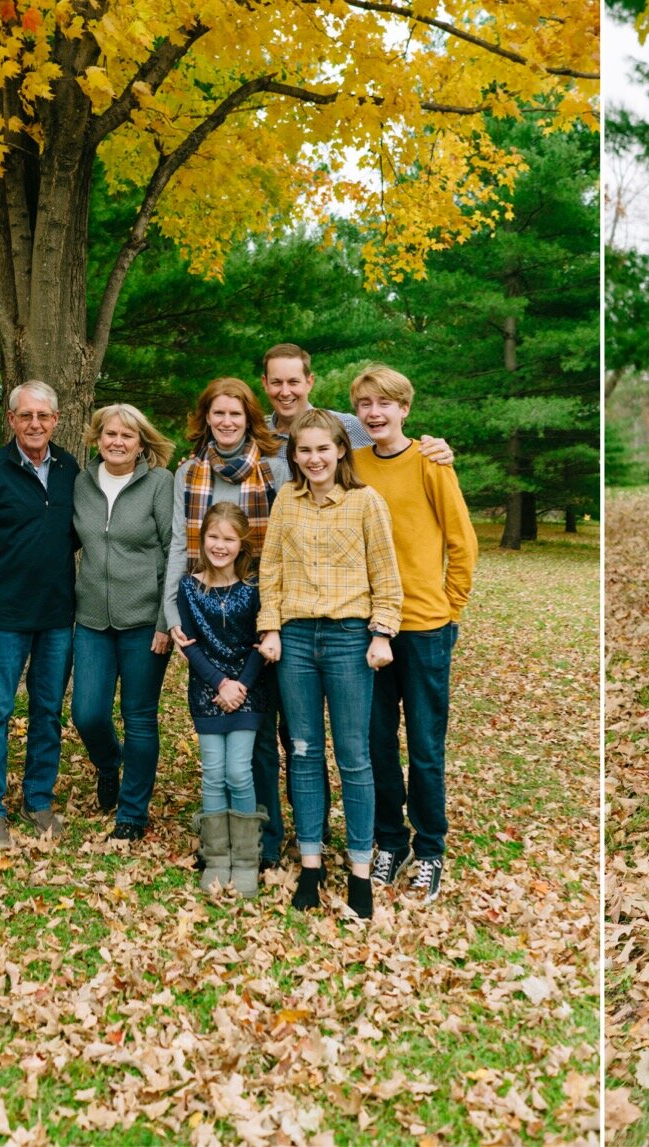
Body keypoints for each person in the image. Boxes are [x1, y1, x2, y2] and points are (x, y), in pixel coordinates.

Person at [257, 408, 404, 921]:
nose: (314, 458)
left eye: (323, 448)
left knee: (354, 756)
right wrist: (270, 627)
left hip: (348, 639)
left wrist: (383, 631)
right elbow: (270, 570)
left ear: (341, 450)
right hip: (295, 641)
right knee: (302, 752)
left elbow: (386, 574)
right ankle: (313, 863)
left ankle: (360, 872)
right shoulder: (286, 504)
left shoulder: (366, 503)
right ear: (293, 456)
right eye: (304, 450)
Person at [350, 364, 479, 901]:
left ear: (404, 408)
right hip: (365, 627)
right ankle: (389, 840)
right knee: (376, 742)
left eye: (385, 403)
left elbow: (462, 541)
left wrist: (448, 607)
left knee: (425, 745)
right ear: (356, 413)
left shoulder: (430, 462)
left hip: (425, 626)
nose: (375, 412)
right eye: (364, 404)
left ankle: (430, 848)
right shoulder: (350, 464)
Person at [163, 378, 294, 869]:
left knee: (260, 739)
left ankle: (264, 843)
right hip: (205, 611)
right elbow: (181, 543)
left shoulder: (274, 469)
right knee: (224, 750)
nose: (226, 422)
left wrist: (274, 619)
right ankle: (222, 844)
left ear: (249, 418)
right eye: (218, 413)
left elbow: (281, 546)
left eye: (235, 414)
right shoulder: (190, 472)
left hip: (263, 609)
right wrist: (172, 615)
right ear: (206, 417)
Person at [0, 382, 80, 849]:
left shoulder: (71, 468)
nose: (35, 424)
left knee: (48, 711)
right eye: (25, 415)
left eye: (43, 416)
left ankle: (38, 799)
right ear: (10, 420)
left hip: (56, 614)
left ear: (55, 420)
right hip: (3, 616)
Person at [72, 403, 177, 841]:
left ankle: (132, 813)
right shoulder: (81, 482)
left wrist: (164, 621)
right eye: (109, 434)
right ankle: (109, 764)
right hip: (92, 618)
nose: (117, 442)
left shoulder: (159, 483)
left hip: (144, 621)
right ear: (97, 438)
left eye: (127, 436)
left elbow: (176, 553)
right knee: (87, 713)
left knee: (139, 718)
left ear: (141, 443)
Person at [173, 504, 268, 896]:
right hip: (207, 691)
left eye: (229, 539)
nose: (220, 545)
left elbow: (261, 642)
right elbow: (189, 646)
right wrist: (219, 684)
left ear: (241, 542)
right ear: (202, 538)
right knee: (213, 772)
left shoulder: (254, 588)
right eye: (213, 537)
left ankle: (246, 858)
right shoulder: (189, 587)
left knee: (238, 772)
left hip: (248, 692)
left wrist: (239, 685)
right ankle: (217, 856)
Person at [259, 343, 455, 484]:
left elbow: (395, 448)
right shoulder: (256, 435)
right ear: (265, 383)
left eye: (293, 382)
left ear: (309, 382)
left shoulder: (348, 426)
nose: (285, 392)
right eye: (277, 382)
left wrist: (433, 450)